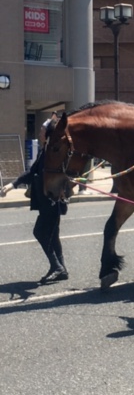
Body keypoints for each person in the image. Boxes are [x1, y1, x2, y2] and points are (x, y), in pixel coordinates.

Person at [1, 121, 69, 283]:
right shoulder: (44, 152)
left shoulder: (52, 154)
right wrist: (12, 185)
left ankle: (56, 266)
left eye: (42, 130)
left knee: (39, 232)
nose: (39, 133)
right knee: (53, 236)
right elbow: (32, 173)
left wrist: (64, 191)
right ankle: (62, 269)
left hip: (51, 201)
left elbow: (64, 173)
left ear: (48, 134)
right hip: (46, 201)